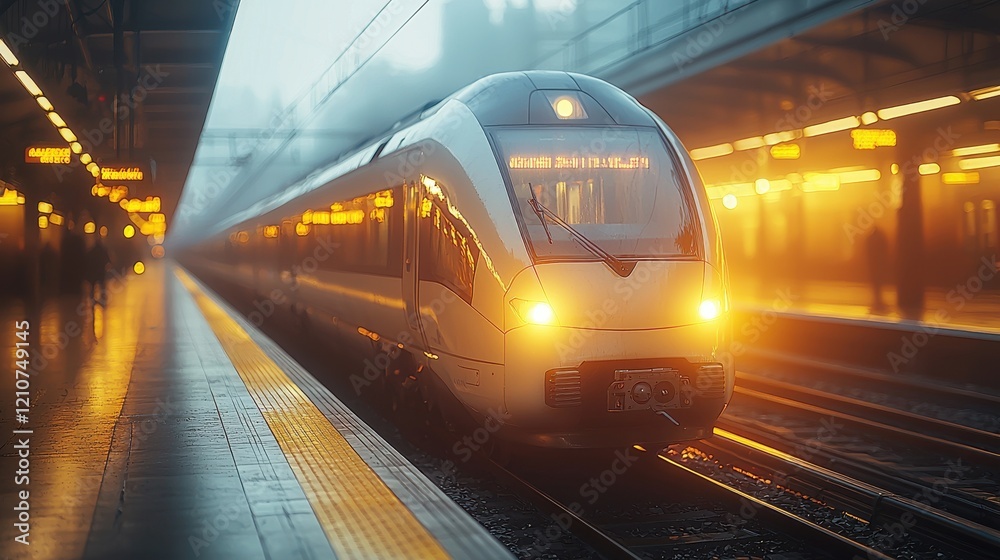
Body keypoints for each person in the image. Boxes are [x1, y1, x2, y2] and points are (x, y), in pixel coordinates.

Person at [865, 225, 889, 313]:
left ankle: (877, 300)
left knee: (875, 283)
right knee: (878, 283)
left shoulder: (870, 238)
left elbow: (868, 251)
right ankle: (878, 301)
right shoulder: (880, 238)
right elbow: (884, 249)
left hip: (873, 264)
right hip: (879, 264)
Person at [86, 237, 112, 304]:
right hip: (101, 270)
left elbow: (87, 259)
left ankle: (92, 298)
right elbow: (108, 259)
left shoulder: (92, 250)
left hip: (94, 270)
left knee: (93, 285)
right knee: (102, 285)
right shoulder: (103, 250)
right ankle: (103, 298)